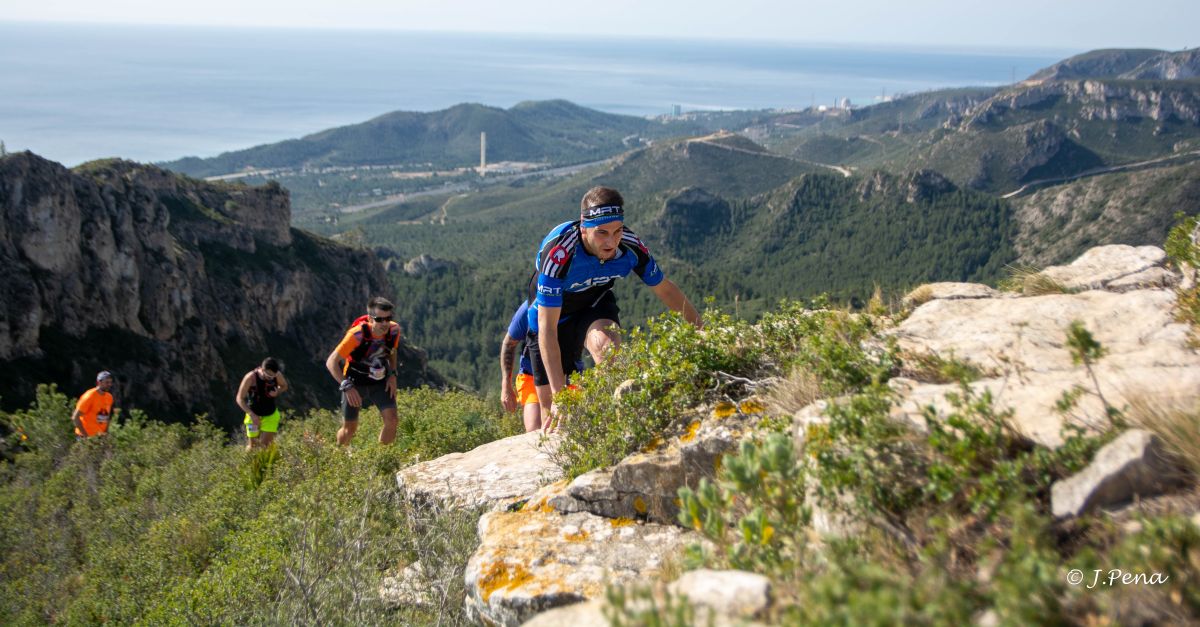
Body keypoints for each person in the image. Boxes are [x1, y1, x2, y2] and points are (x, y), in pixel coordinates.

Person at [527, 186, 702, 430]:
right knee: (552, 411)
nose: (611, 242)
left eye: (617, 231)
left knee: (609, 351)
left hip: (594, 303)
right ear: (583, 226)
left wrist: (703, 331)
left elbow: (665, 289)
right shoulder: (559, 253)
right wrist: (559, 396)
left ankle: (615, 428)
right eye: (602, 233)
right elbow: (547, 329)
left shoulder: (630, 247)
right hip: (552, 318)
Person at [326, 297, 402, 446]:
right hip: (355, 384)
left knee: (392, 421)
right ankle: (339, 454)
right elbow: (331, 362)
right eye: (379, 319)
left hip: (380, 382)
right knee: (349, 429)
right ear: (369, 319)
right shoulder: (356, 335)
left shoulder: (394, 331)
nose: (385, 323)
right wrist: (346, 386)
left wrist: (393, 374)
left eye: (388, 318)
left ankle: (381, 460)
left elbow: (392, 351)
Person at [500, 300, 585, 432]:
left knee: (570, 428)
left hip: (571, 375)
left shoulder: (581, 303)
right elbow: (509, 343)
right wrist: (506, 384)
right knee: (535, 429)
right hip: (532, 375)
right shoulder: (530, 307)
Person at [235, 357, 289, 451]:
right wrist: (252, 415)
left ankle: (264, 464)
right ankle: (248, 464)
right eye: (268, 376)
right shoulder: (250, 377)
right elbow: (239, 398)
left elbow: (284, 386)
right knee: (253, 446)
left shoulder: (276, 375)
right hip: (253, 416)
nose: (271, 378)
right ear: (262, 370)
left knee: (265, 446)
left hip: (270, 415)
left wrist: (278, 391)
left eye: (273, 376)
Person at [72, 371, 115, 439]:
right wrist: (86, 437)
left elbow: (107, 416)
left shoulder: (109, 397)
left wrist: (105, 434)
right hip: (85, 438)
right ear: (99, 382)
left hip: (99, 438)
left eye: (110, 382)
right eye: (107, 382)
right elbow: (75, 417)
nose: (109, 384)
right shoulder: (89, 396)